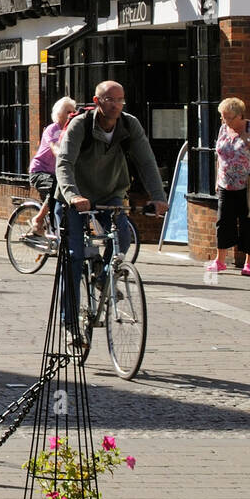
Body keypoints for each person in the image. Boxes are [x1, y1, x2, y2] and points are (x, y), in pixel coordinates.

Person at [56, 81, 167, 334]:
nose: (116, 105)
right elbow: (63, 164)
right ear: (97, 102)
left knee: (123, 238)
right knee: (73, 257)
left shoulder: (129, 125)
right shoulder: (80, 125)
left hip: (110, 194)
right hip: (76, 197)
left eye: (120, 100)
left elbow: (147, 161)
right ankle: (70, 320)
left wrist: (158, 196)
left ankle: (104, 275)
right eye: (110, 100)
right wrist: (72, 196)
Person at [211, 97, 250, 276]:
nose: (225, 121)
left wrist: (247, 139)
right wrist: (218, 179)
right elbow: (219, 156)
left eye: (229, 117)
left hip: (249, 185)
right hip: (226, 184)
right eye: (223, 117)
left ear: (240, 115)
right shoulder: (223, 129)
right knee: (223, 222)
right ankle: (220, 261)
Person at [27, 97, 78, 235]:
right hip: (40, 171)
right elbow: (55, 148)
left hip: (58, 174)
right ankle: (38, 219)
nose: (71, 115)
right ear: (59, 113)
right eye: (68, 112)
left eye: (73, 112)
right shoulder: (53, 129)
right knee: (56, 189)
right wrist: (64, 157)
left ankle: (57, 234)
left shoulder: (73, 131)